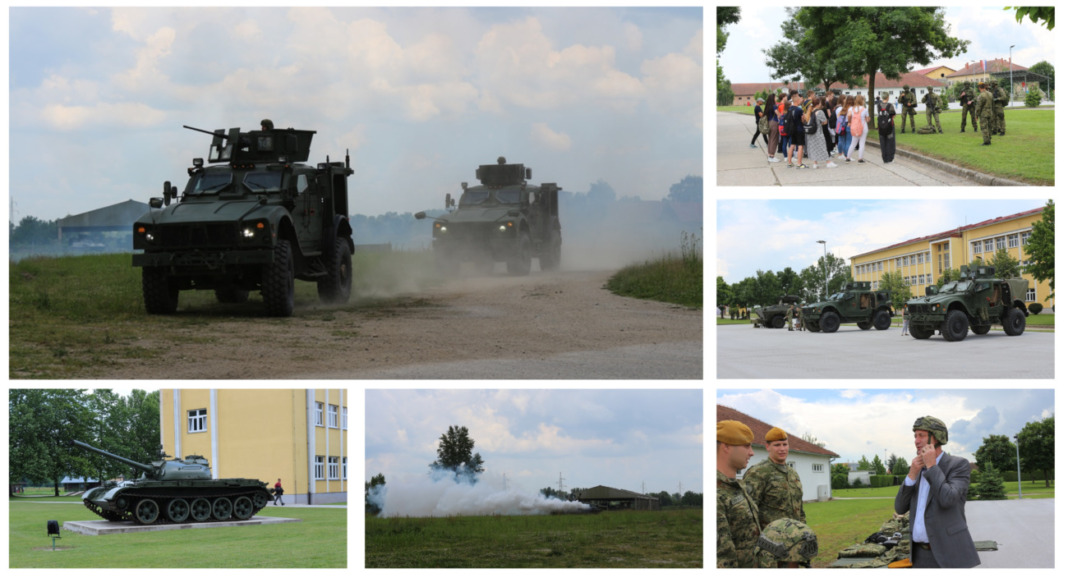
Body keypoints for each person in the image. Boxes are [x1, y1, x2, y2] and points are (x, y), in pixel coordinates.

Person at [893, 416, 980, 568]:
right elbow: (900, 507)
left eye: (921, 435)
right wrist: (911, 475)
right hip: (920, 556)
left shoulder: (958, 465)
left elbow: (948, 499)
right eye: (915, 436)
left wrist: (932, 466)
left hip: (950, 555)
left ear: (936, 438)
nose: (916, 440)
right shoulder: (917, 469)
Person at [717, 420, 763, 568]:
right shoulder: (717, 494)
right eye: (746, 446)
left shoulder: (737, 486)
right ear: (726, 446)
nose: (752, 452)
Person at [744, 427, 806, 531]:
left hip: (796, 538)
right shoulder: (758, 473)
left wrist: (804, 530)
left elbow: (800, 508)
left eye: (785, 444)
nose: (782, 449)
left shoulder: (793, 474)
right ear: (768, 447)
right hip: (771, 541)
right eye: (777, 445)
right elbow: (748, 512)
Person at [803, 96, 837, 169]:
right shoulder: (819, 112)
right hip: (818, 133)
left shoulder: (809, 112)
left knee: (814, 148)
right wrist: (819, 124)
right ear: (818, 104)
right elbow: (825, 121)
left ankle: (815, 163)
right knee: (822, 147)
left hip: (810, 133)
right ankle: (828, 162)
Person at [785, 92, 806, 169]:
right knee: (800, 146)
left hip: (792, 129)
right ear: (797, 100)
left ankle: (789, 163)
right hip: (799, 129)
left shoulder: (789, 109)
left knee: (792, 145)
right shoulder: (799, 110)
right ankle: (799, 163)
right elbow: (803, 120)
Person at [845, 94, 869, 163]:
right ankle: (860, 158)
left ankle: (848, 157)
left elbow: (849, 116)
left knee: (853, 143)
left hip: (854, 127)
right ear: (862, 101)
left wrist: (849, 122)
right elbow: (867, 119)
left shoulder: (851, 109)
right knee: (862, 143)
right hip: (863, 127)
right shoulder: (864, 109)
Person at [875, 91, 897, 163]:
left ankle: (884, 158)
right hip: (889, 126)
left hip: (881, 126)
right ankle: (890, 158)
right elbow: (893, 114)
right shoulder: (890, 105)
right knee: (890, 141)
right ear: (887, 97)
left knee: (883, 142)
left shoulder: (878, 105)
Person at [976, 82, 994, 146]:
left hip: (984, 113)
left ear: (979, 87)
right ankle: (989, 139)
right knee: (989, 126)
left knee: (984, 127)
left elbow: (979, 106)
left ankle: (986, 141)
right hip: (990, 112)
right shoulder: (990, 94)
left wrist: (977, 115)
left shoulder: (981, 95)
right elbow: (992, 104)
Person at [766, 94, 781, 163]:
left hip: (768, 123)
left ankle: (769, 155)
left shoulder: (767, 106)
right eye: (775, 97)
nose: (776, 98)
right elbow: (778, 114)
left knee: (770, 139)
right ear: (773, 98)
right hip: (774, 123)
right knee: (774, 139)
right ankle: (772, 156)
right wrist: (780, 114)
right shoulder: (774, 106)